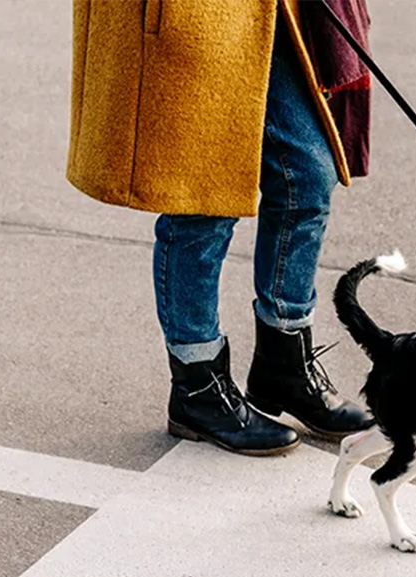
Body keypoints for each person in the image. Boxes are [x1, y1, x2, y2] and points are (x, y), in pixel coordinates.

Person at [66, 0, 375, 455]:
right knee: (202, 196)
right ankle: (198, 388)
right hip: (195, 15)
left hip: (274, 11)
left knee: (309, 173)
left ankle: (284, 365)